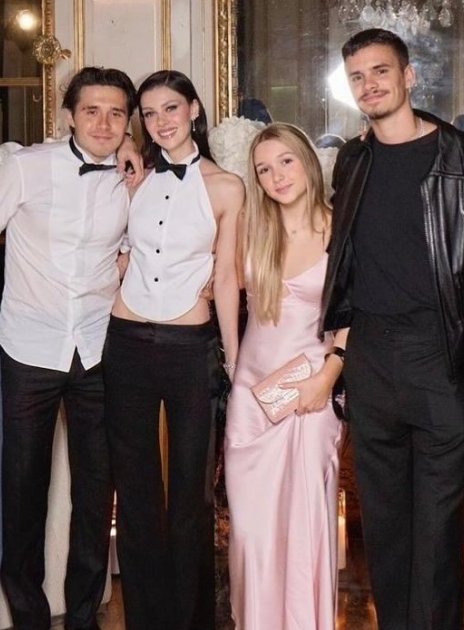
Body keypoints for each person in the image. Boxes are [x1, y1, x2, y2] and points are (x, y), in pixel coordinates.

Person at [320, 28, 464, 630]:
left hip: (439, 358)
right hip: (371, 358)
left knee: (438, 528)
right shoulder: (353, 159)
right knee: (385, 527)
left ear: (409, 76)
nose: (369, 85)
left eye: (381, 71)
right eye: (358, 76)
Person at [102, 70, 243, 630]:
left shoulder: (227, 187)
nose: (161, 121)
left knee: (191, 494)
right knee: (135, 491)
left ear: (194, 110)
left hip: (190, 347)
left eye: (171, 108)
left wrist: (233, 358)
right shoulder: (131, 178)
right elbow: (117, 252)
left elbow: (227, 277)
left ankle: (190, 620)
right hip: (126, 342)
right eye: (150, 113)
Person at [0, 66, 139, 630]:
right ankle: (28, 615)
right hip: (29, 346)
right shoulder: (24, 167)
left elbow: (138, 251)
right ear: (69, 116)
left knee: (95, 491)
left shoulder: (134, 179)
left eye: (116, 113)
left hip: (99, 349)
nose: (104, 124)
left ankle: (84, 615)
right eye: (91, 111)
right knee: (22, 488)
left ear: (128, 122)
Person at [225, 122, 346, 630]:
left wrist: (328, 378)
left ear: (308, 162)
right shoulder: (252, 226)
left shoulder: (341, 228)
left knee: (304, 526)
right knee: (251, 532)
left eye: (286, 161)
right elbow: (222, 284)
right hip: (251, 398)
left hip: (310, 394)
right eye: (264, 169)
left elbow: (355, 312)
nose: (277, 176)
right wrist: (233, 365)